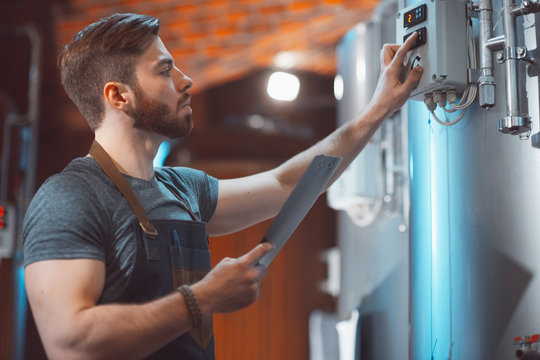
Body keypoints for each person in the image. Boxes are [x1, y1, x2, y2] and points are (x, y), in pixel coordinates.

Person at [22, 13, 422, 360]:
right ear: (118, 96)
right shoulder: (69, 197)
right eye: (164, 70)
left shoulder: (183, 190)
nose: (186, 80)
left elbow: (286, 183)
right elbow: (70, 344)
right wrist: (203, 299)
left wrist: (378, 109)